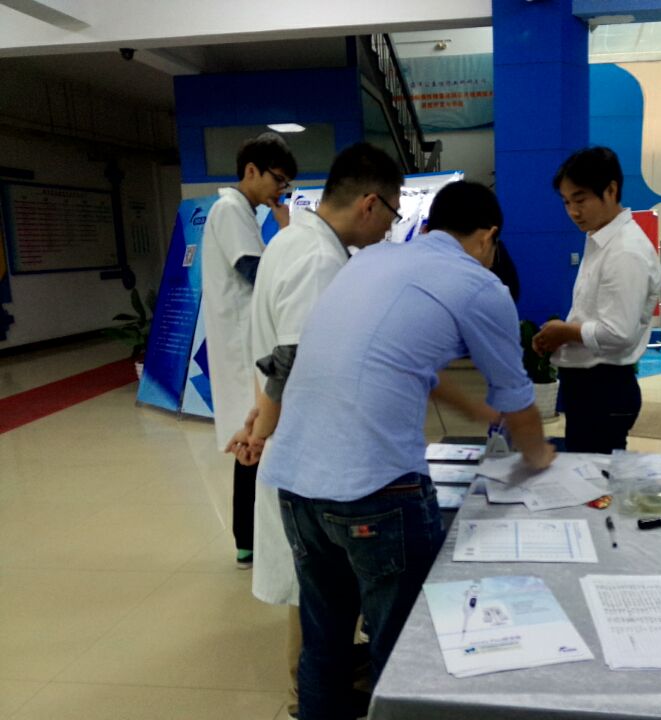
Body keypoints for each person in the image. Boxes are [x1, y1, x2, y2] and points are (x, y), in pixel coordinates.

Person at [255, 181, 555, 720]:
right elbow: (518, 400)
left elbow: (405, 365)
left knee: (325, 645)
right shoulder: (479, 284)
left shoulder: (373, 261)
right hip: (376, 492)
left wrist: (476, 412)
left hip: (297, 485)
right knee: (402, 650)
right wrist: (541, 460)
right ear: (489, 236)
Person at [224, 142, 405, 720]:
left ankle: (314, 694)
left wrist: (258, 417)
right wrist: (262, 427)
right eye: (393, 213)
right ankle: (307, 701)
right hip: (308, 453)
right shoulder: (319, 258)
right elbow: (292, 355)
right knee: (316, 599)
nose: (390, 227)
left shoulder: (294, 239)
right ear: (370, 204)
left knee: (316, 593)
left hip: (300, 446)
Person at [201, 131, 297, 567]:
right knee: (254, 439)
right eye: (278, 179)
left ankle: (250, 539)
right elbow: (256, 273)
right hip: (244, 346)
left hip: (249, 341)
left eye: (287, 183)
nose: (281, 190)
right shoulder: (229, 210)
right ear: (251, 171)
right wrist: (290, 239)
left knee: (254, 439)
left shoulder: (242, 213)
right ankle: (249, 540)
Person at [533, 146, 661, 454]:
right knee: (587, 471)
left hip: (604, 389)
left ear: (611, 190)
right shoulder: (601, 239)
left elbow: (619, 333)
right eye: (566, 202)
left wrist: (565, 331)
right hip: (590, 387)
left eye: (580, 200)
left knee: (596, 477)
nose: (573, 211)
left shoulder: (625, 251)